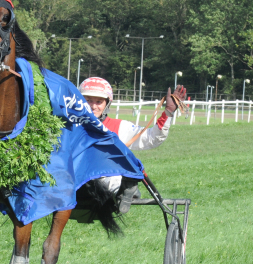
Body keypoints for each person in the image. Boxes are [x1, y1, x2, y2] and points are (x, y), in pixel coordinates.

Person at [78, 77, 187, 212]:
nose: (93, 106)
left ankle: (124, 188)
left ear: (107, 104)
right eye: (88, 100)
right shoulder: (69, 126)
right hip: (76, 179)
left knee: (112, 177)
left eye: (99, 102)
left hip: (104, 180)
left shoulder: (120, 127)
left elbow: (152, 138)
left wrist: (168, 112)